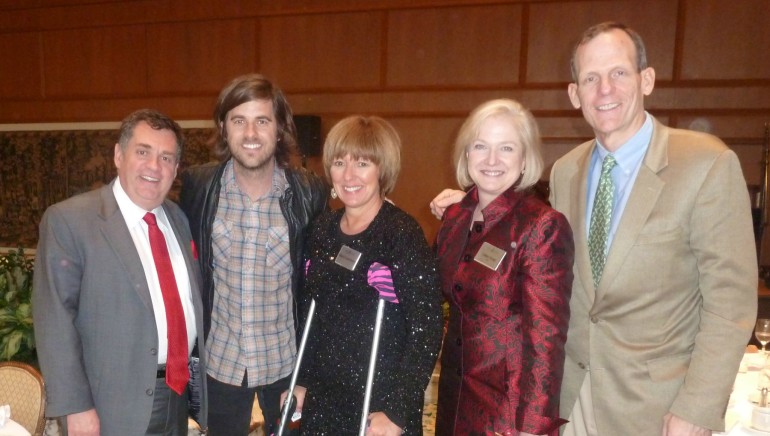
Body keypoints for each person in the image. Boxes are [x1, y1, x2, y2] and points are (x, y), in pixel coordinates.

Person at [431, 22, 758, 435]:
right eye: (591, 78)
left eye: (618, 72)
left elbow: (731, 302)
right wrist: (464, 204)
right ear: (575, 94)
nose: (605, 89)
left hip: (657, 408)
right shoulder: (568, 170)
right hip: (569, 401)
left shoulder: (705, 164)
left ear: (647, 79)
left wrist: (697, 407)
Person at [33, 109, 208, 436]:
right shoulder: (71, 221)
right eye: (143, 152)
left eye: (166, 157)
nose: (154, 166)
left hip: (178, 394)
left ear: (176, 168)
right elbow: (53, 318)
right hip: (109, 405)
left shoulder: (179, 219)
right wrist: (76, 407)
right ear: (118, 155)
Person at [179, 73, 328, 435]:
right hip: (221, 364)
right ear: (223, 128)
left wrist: (310, 373)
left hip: (286, 365)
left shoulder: (309, 193)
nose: (250, 134)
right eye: (239, 121)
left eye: (262, 121)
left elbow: (323, 288)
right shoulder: (198, 186)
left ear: (279, 129)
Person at [288, 115, 443, 434]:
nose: (348, 175)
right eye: (339, 162)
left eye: (362, 163)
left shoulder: (400, 233)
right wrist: (302, 381)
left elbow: (426, 327)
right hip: (325, 395)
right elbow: (311, 317)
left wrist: (398, 412)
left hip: (380, 401)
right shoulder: (323, 230)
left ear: (381, 170)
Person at [433, 99, 573, 436]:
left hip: (507, 416)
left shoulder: (541, 226)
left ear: (525, 159)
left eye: (506, 148)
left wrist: (532, 427)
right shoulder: (454, 219)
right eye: (480, 146)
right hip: (454, 406)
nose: (491, 160)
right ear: (466, 154)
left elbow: (546, 341)